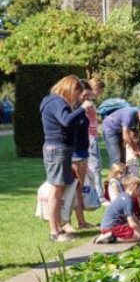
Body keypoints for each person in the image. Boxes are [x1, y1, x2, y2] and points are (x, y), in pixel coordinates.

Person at [40, 75, 93, 242]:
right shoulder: (56, 102)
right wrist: (82, 108)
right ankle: (54, 232)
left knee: (61, 189)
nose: (76, 98)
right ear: (70, 89)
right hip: (57, 149)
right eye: (76, 94)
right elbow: (66, 121)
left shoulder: (52, 101)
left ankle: (59, 228)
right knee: (56, 191)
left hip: (60, 149)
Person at [70, 81, 97, 230]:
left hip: (83, 151)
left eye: (89, 96)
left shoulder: (84, 109)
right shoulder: (73, 109)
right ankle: (74, 222)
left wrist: (91, 114)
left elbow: (91, 128)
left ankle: (81, 221)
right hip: (75, 153)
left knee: (79, 187)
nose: (87, 99)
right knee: (75, 187)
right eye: (85, 95)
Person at [94, 178, 140, 245]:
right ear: (135, 187)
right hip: (111, 228)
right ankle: (110, 237)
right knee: (138, 236)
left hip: (106, 227)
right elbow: (132, 224)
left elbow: (133, 217)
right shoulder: (128, 201)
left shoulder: (123, 196)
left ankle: (106, 235)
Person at [87, 78, 106, 203]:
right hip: (89, 137)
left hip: (92, 135)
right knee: (95, 166)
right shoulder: (86, 102)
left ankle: (97, 193)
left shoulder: (90, 102)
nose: (100, 94)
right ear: (95, 89)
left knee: (96, 165)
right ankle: (99, 195)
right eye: (100, 91)